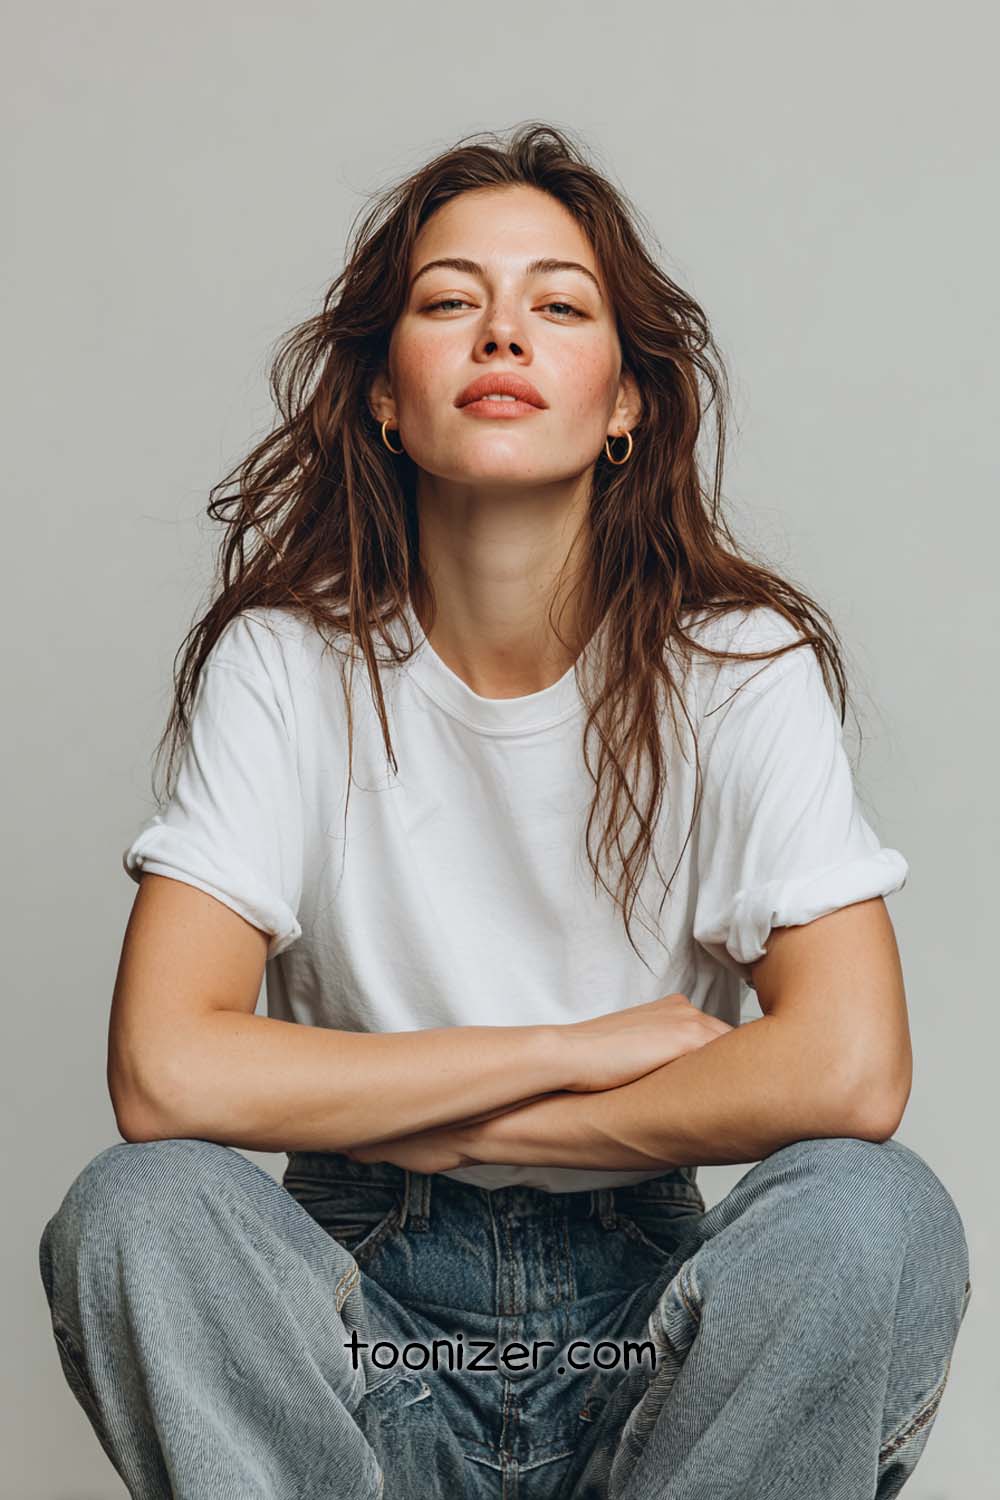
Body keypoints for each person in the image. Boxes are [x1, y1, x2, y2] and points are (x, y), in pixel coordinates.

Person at [38, 121, 970, 1500]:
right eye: (448, 300)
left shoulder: (740, 663)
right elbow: (167, 1076)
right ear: (382, 397)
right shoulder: (286, 661)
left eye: (559, 304)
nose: (501, 335)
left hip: (656, 1340)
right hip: (358, 1330)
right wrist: (579, 1049)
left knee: (876, 1216)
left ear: (626, 401)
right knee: (138, 1212)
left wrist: (441, 1110)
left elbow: (850, 1072)